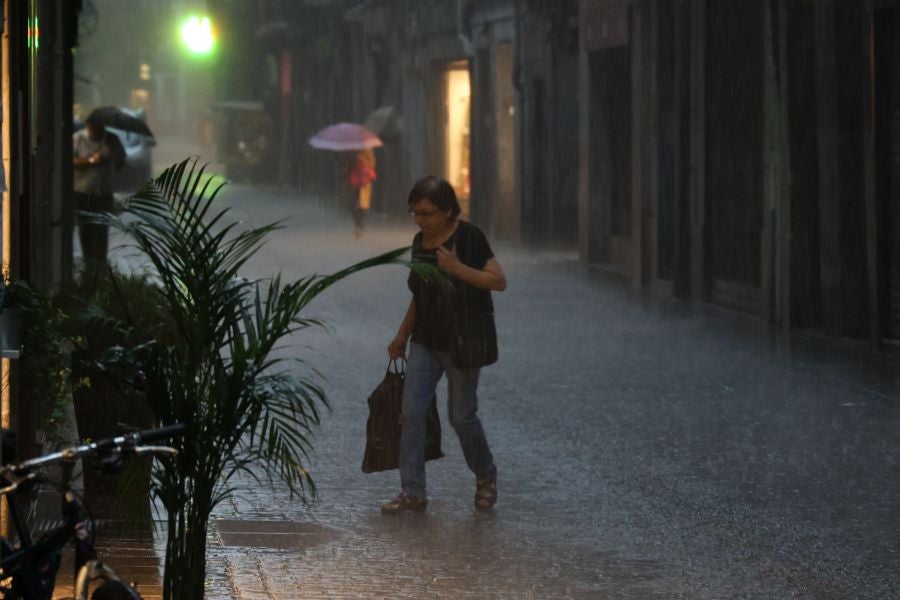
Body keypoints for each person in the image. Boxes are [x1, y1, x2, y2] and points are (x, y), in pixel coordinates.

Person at [383, 175, 507, 514]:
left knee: (461, 417)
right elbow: (420, 295)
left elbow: (498, 281)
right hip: (426, 339)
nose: (421, 220)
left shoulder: (470, 238)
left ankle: (485, 473)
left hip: (464, 343)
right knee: (412, 413)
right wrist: (401, 335)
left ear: (448, 210)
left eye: (427, 213)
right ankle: (413, 492)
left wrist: (456, 268)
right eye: (415, 213)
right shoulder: (419, 242)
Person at [73, 114, 125, 269]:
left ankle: (100, 264)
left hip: (104, 193)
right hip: (83, 192)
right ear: (88, 127)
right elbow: (70, 160)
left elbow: (121, 160)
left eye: (99, 128)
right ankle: (88, 264)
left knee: (102, 230)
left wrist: (109, 166)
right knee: (85, 230)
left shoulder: (112, 139)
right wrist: (90, 160)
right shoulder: (78, 138)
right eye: (93, 128)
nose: (96, 131)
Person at [347, 148, 376, 238]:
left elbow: (372, 164)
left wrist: (363, 161)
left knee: (362, 207)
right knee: (353, 206)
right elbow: (347, 165)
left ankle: (360, 226)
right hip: (354, 182)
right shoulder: (351, 151)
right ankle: (358, 225)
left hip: (364, 183)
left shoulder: (368, 150)